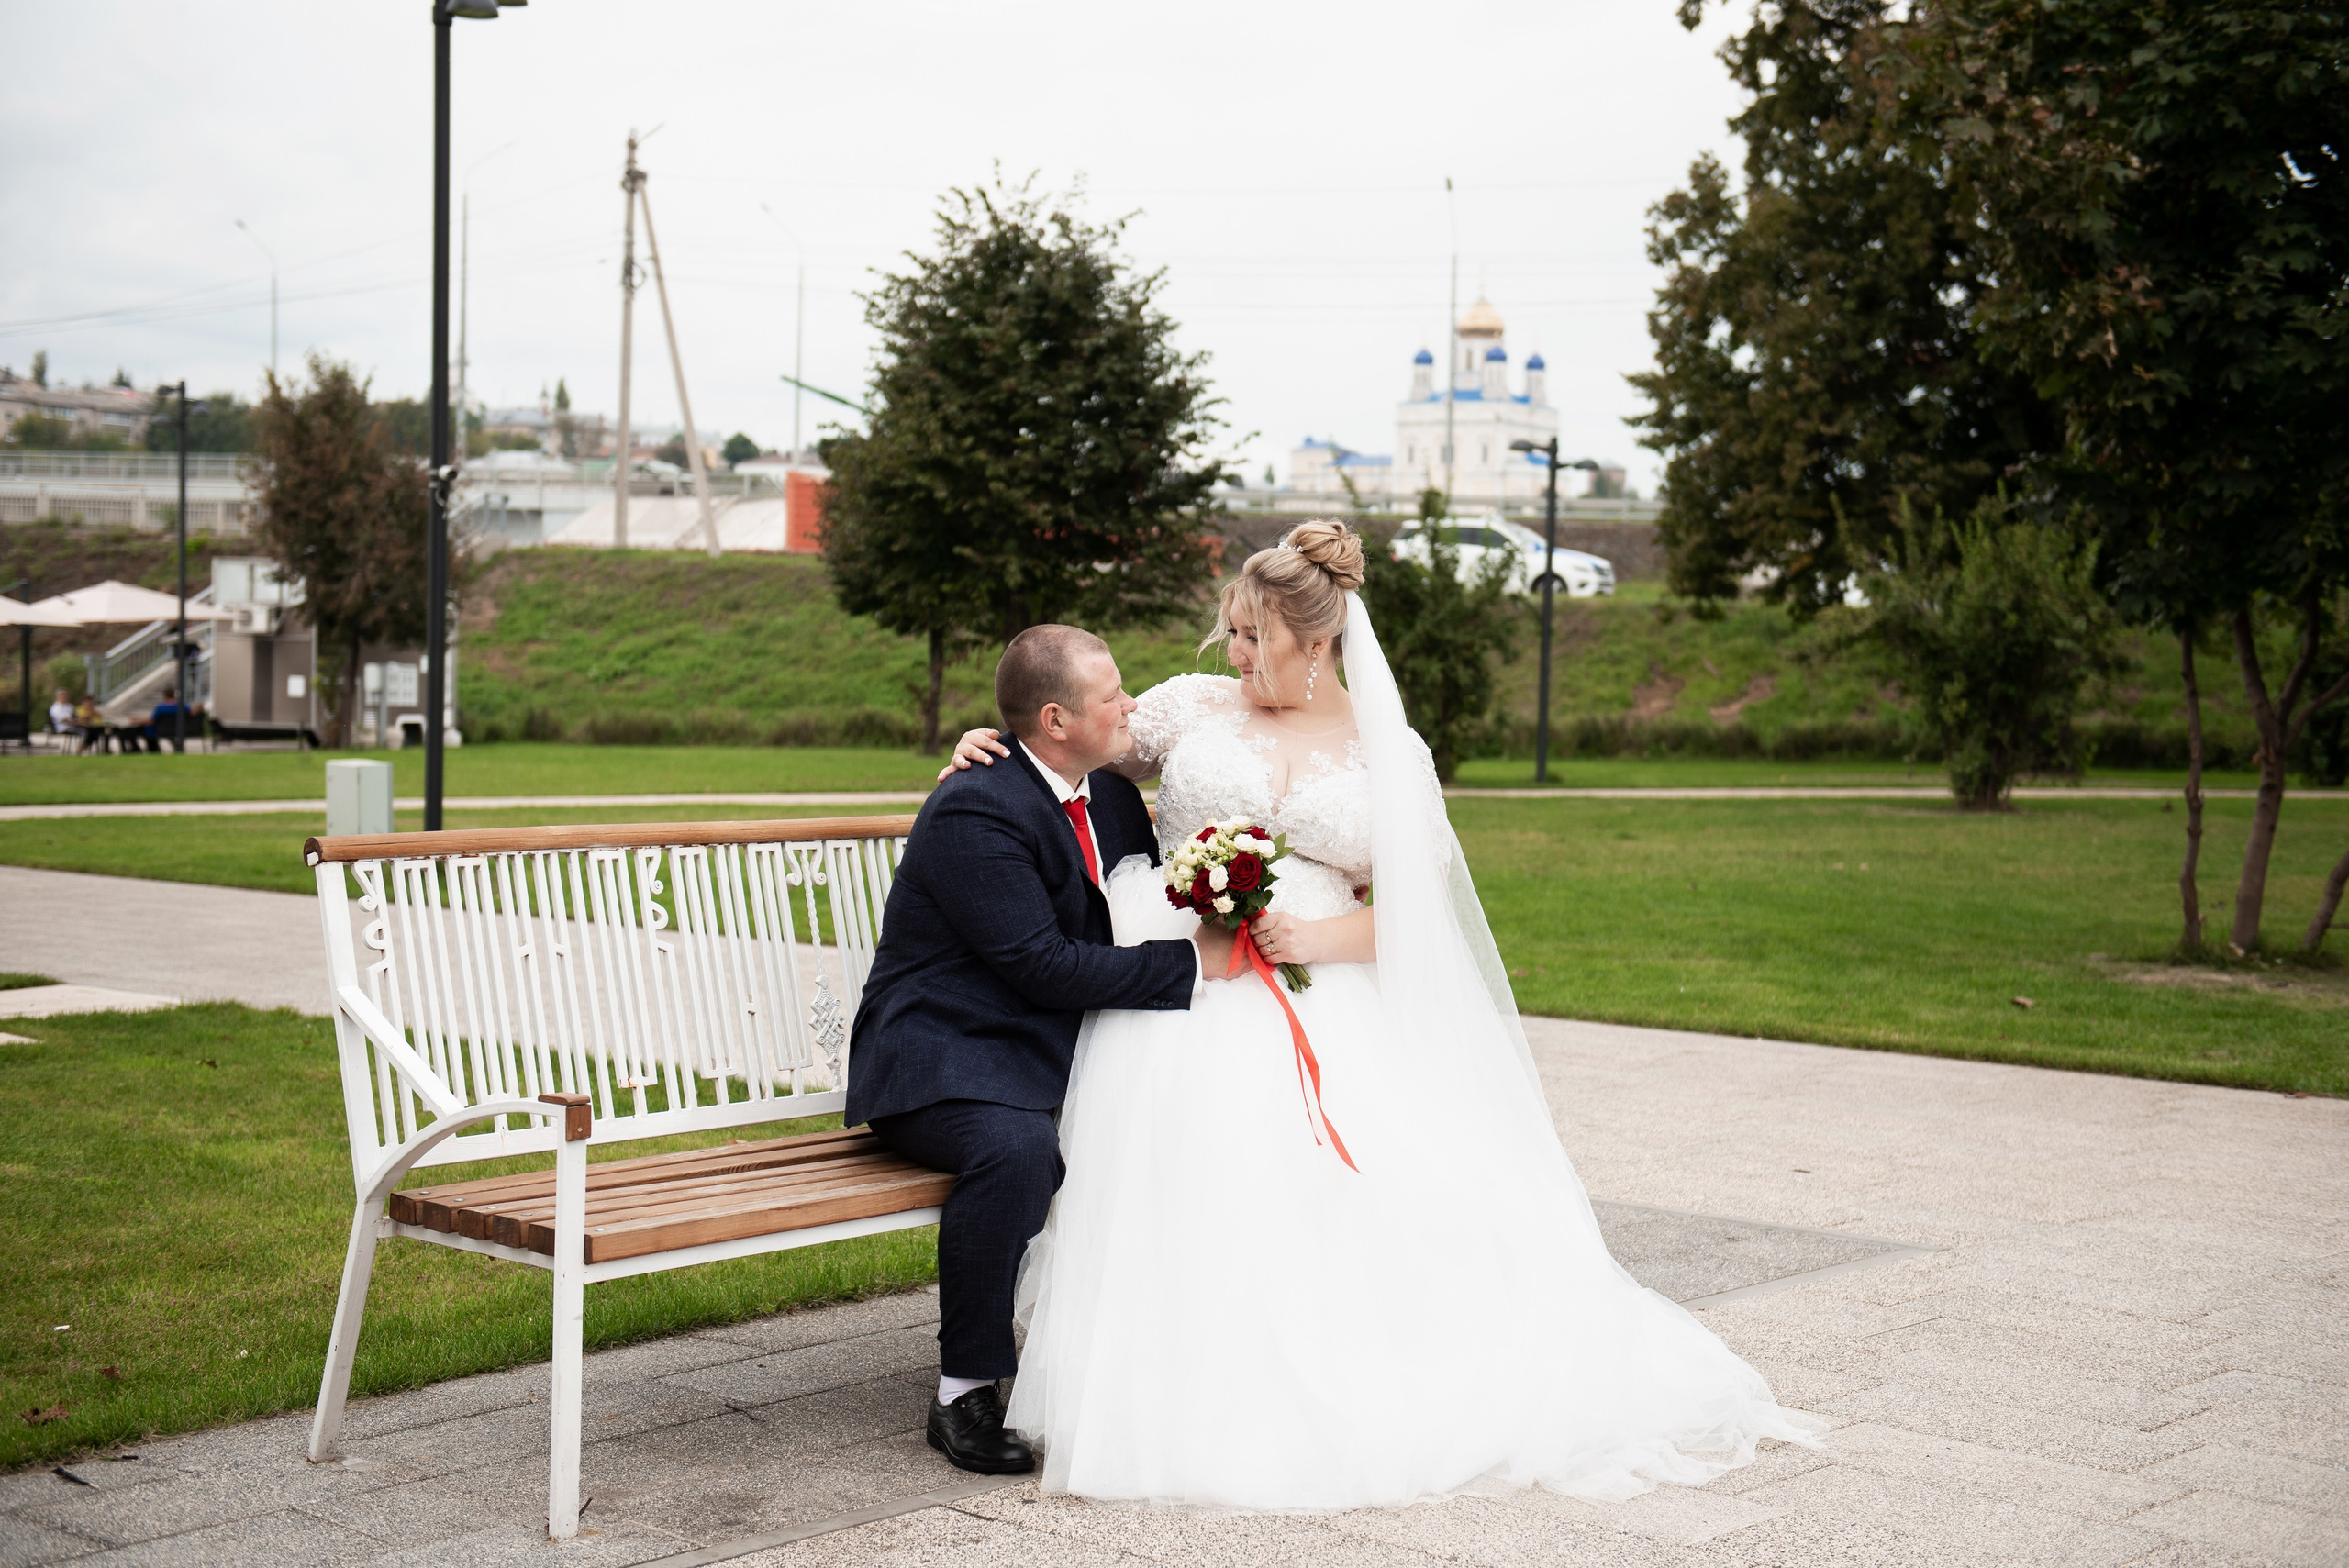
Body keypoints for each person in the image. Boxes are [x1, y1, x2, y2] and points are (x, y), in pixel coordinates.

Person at [936, 520, 1820, 1509]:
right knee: (1181, 1160)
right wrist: (988, 747)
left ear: (1317, 642)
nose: (1237, 654)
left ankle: (1338, 1364)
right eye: (1233, 631)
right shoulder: (1190, 706)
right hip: (1179, 979)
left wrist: (1314, 938)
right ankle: (1168, 1362)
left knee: (1347, 1183)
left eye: (1256, 637)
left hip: (1321, 985)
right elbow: (1068, 738)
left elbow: (1418, 914)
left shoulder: (1388, 750)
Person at [848, 624, 1240, 1477]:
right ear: (1056, 719)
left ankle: (1161, 1352)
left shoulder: (1113, 798)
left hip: (1049, 1043)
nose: (1130, 704)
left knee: (1197, 1104)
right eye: (1111, 694)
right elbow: (1042, 964)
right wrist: (1193, 965)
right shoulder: (976, 807)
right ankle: (963, 1389)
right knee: (1018, 1148)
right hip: (945, 1055)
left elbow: (1134, 910)